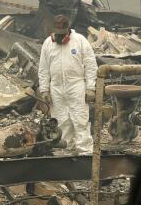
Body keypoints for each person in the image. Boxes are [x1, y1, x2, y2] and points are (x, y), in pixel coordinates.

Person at [37, 13, 98, 155]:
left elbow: (90, 65)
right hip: (56, 88)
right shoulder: (48, 43)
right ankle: (65, 151)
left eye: (61, 34)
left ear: (67, 29)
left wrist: (90, 88)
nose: (59, 37)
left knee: (80, 120)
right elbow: (43, 68)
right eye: (56, 34)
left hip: (76, 86)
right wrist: (44, 90)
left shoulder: (80, 41)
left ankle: (85, 153)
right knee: (61, 121)